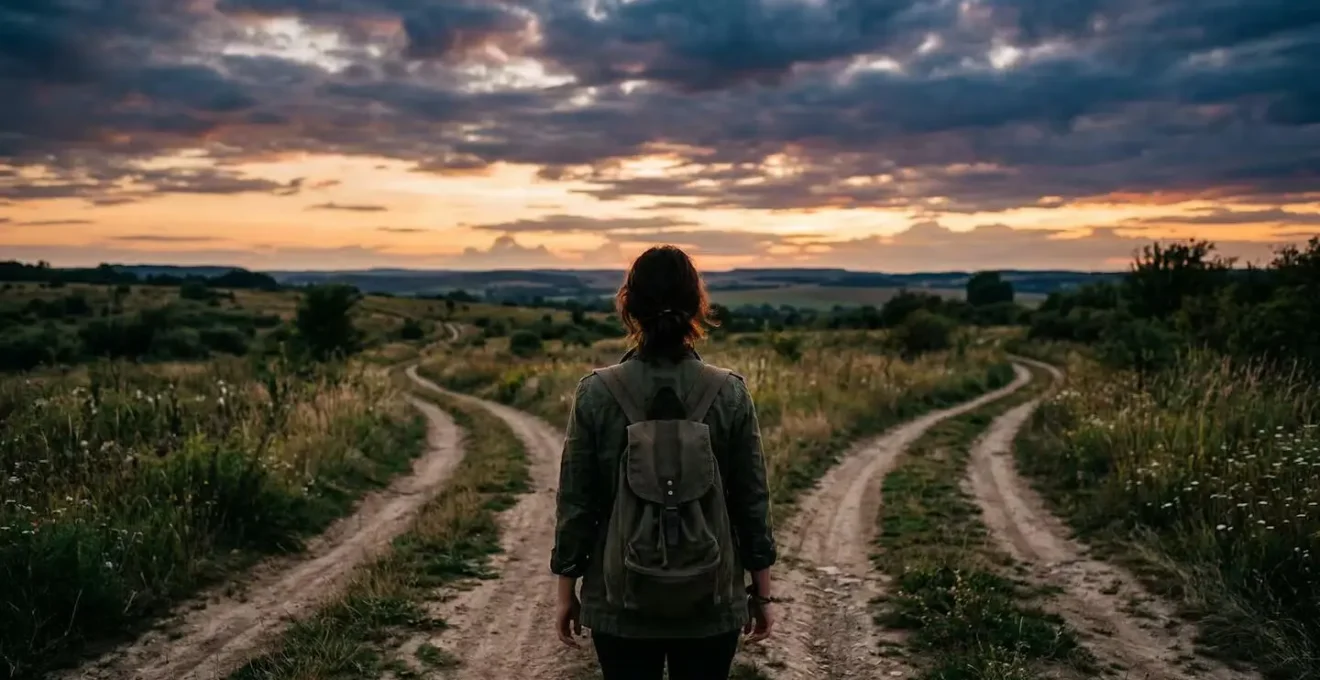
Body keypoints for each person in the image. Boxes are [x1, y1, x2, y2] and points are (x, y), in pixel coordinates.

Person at [551, 245, 777, 680]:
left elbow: (577, 502)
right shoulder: (729, 392)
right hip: (711, 598)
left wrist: (567, 589)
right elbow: (752, 500)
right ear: (697, 305)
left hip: (620, 600)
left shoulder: (596, 392)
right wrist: (762, 595)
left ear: (628, 306)